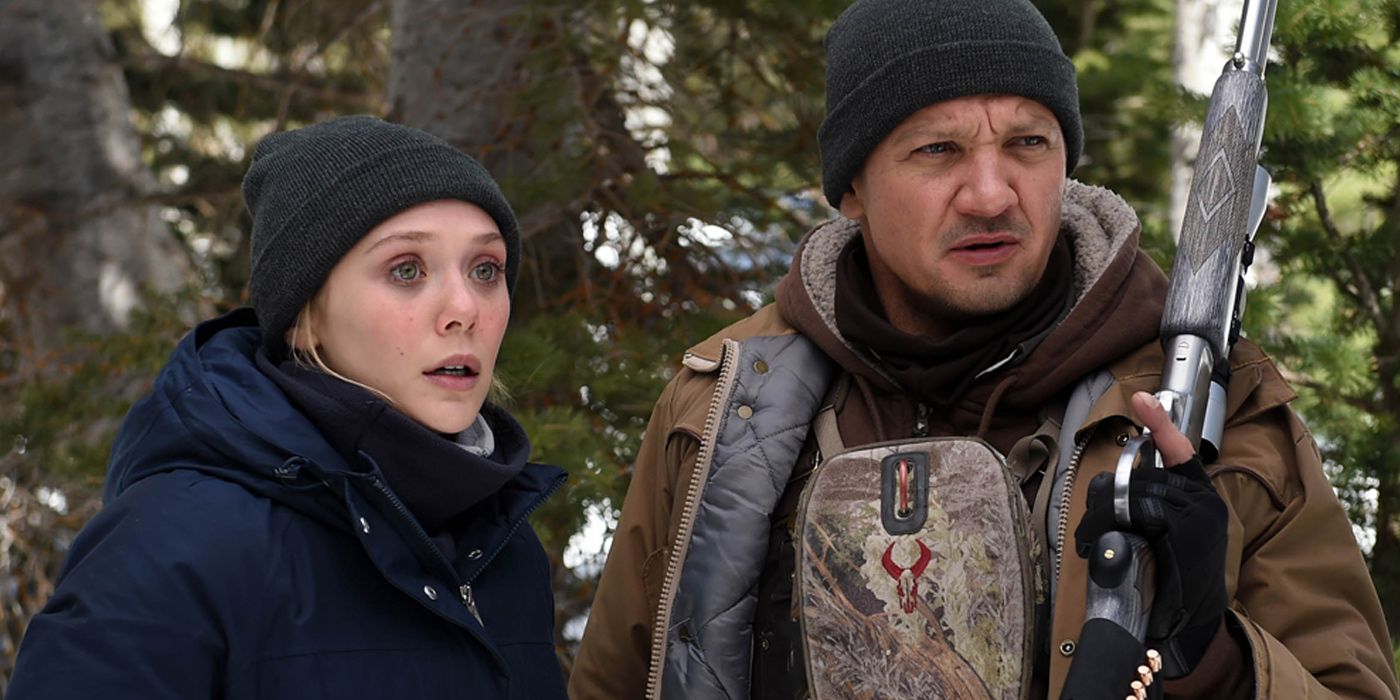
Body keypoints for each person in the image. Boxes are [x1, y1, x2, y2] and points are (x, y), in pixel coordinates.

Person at [568, 0, 1399, 698]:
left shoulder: (1212, 404)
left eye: (1029, 144)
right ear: (852, 185)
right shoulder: (722, 401)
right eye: (939, 150)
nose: (993, 193)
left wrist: (1214, 659)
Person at [7, 116, 568, 699]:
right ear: (305, 319)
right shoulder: (178, 542)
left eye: (486, 270)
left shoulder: (503, 547)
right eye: (407, 269)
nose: (465, 308)